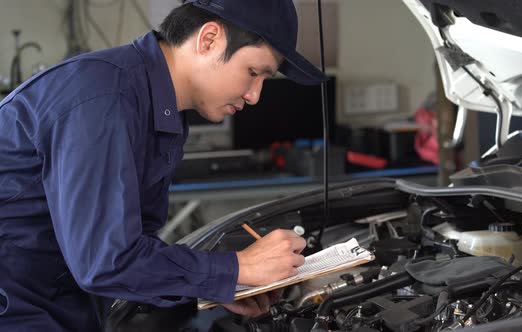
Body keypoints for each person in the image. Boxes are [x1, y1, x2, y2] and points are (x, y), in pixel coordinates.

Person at [0, 0, 327, 331]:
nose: (255, 95)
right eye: (253, 72)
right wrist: (237, 268)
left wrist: (214, 283)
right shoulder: (103, 98)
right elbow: (107, 262)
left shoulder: (160, 109)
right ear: (209, 39)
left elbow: (135, 247)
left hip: (57, 306)